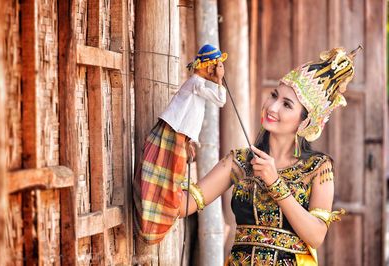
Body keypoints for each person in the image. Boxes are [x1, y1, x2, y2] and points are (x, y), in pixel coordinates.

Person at [179, 46, 361, 265]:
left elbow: (316, 236)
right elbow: (183, 205)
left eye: (286, 105)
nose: (272, 107)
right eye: (274, 95)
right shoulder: (240, 161)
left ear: (305, 122)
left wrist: (275, 183)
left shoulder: (318, 167)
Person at [134, 44, 228, 244]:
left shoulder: (197, 84)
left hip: (178, 136)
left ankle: (155, 222)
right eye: (213, 66)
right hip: (173, 134)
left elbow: (189, 114)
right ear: (205, 66)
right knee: (164, 180)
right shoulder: (196, 83)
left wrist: (189, 140)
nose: (214, 70)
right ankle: (152, 223)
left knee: (168, 180)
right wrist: (219, 79)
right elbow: (220, 101)